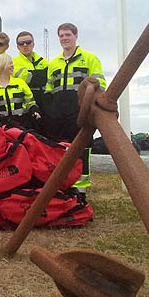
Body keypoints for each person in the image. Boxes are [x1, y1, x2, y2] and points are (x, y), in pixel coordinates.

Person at [45, 23, 106, 204]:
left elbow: (99, 85)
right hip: (58, 114)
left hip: (79, 111)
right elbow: (49, 88)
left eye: (67, 35)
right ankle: (64, 188)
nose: (64, 38)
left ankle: (80, 191)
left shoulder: (89, 58)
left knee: (81, 150)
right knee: (61, 150)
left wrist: (91, 108)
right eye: (61, 35)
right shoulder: (53, 63)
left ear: (76, 36)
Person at [0, 53, 41, 129]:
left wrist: (35, 111)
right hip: (2, 126)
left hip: (23, 125)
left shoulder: (20, 83)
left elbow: (30, 102)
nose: (12, 66)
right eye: (10, 63)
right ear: (1, 66)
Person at [12, 31, 49, 108]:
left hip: (46, 102)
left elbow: (49, 79)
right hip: (25, 104)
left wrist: (31, 74)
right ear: (17, 47)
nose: (25, 45)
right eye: (21, 43)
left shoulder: (43, 61)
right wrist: (41, 74)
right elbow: (30, 80)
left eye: (28, 42)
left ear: (33, 44)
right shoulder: (13, 63)